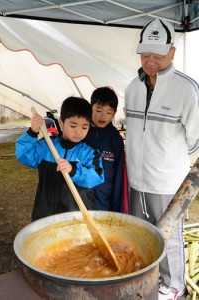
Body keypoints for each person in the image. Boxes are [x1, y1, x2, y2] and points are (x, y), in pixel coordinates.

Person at [124, 18, 199, 300]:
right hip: (137, 178)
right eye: (145, 54)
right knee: (141, 232)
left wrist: (179, 172)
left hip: (168, 181)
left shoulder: (187, 90)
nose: (151, 60)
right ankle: (147, 279)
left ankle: (173, 285)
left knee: (169, 235)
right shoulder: (132, 88)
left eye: (157, 54)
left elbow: (196, 142)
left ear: (172, 52)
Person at [15, 97, 104, 221]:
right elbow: (24, 156)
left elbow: (96, 177)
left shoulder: (89, 151)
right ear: (61, 123)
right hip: (45, 213)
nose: (78, 132)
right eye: (73, 126)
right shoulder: (46, 145)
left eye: (84, 127)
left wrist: (73, 170)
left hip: (76, 216)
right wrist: (32, 132)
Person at [85, 87, 128, 213]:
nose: (103, 116)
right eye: (98, 110)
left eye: (109, 112)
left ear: (114, 113)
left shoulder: (115, 139)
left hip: (104, 204)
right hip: (80, 201)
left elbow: (119, 175)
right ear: (91, 108)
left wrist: (117, 209)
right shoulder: (82, 132)